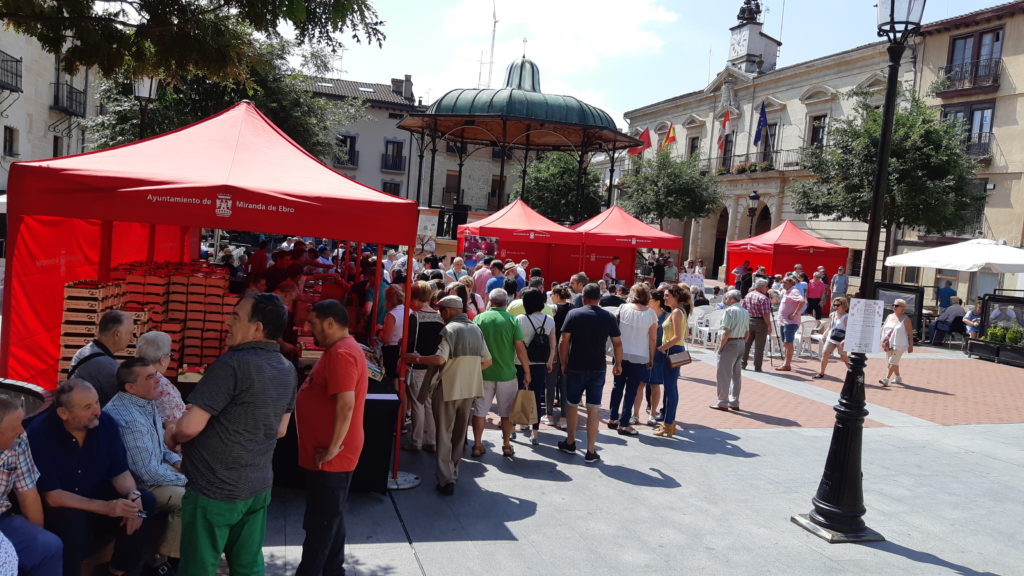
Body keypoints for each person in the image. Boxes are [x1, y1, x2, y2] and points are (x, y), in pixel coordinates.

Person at [170, 293, 297, 575]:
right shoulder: (287, 369)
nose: (228, 321)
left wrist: (173, 432)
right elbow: (280, 429)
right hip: (257, 486)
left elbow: (189, 427)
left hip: (214, 490)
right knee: (248, 566)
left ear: (257, 327)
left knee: (198, 568)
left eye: (236, 316)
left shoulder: (232, 364)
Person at [27, 379, 159, 576]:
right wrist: (106, 508)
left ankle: (118, 570)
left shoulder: (106, 424)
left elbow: (120, 472)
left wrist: (133, 495)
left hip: (96, 495)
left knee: (143, 503)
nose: (97, 410)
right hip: (60, 506)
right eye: (87, 407)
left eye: (97, 402)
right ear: (63, 413)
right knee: (71, 520)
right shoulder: (40, 433)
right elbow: (52, 496)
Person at [294, 300, 367, 576]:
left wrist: (333, 448)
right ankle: (334, 570)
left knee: (319, 527)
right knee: (329, 521)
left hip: (331, 456)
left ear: (329, 322)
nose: (307, 327)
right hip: (328, 454)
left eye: (312, 322)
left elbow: (346, 404)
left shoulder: (341, 353)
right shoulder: (340, 350)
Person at [104, 359, 186, 571]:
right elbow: (147, 473)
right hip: (137, 486)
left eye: (155, 374)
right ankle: (164, 563)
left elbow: (160, 448)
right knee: (190, 499)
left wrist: (180, 463)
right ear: (131, 387)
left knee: (200, 486)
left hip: (155, 471)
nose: (158, 380)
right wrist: (188, 479)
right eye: (150, 377)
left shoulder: (145, 402)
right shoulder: (128, 417)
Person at [405, 296, 491, 495]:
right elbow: (487, 361)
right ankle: (453, 471)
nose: (440, 314)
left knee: (444, 434)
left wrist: (415, 358)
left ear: (451, 310)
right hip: (469, 389)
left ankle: (446, 479)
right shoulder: (476, 329)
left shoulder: (449, 330)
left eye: (442, 310)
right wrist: (467, 369)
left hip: (448, 388)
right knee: (459, 435)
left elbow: (438, 359)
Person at [558, 283, 623, 462]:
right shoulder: (608, 317)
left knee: (571, 405)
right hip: (598, 367)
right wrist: (618, 363)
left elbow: (564, 341)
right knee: (593, 409)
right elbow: (617, 342)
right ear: (599, 299)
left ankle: (570, 442)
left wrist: (563, 362)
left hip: (576, 366)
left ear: (584, 297)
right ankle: (590, 450)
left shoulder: (574, 314)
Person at [0, 396, 63, 576]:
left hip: (3, 519)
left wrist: (37, 535)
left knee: (47, 546)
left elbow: (28, 493)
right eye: (14, 427)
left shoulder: (19, 440)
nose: (22, 431)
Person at [472, 289, 531, 459]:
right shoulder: (512, 320)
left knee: (480, 411)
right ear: (506, 302)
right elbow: (520, 349)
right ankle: (506, 444)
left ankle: (477, 445)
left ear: (490, 301)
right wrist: (527, 371)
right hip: (507, 374)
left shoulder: (479, 318)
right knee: (506, 413)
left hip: (484, 372)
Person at [607, 284, 657, 436]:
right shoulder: (650, 314)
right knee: (631, 390)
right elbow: (653, 339)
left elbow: (614, 331)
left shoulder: (622, 308)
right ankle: (624, 422)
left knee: (617, 387)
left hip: (621, 353)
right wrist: (651, 357)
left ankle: (613, 417)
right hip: (640, 355)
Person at [404, 282, 444, 452]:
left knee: (418, 404)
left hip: (418, 364)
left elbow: (409, 343)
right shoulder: (439, 317)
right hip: (434, 365)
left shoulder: (415, 317)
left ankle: (417, 441)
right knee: (428, 403)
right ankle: (432, 441)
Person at [515, 288, 557, 445]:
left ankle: (513, 429)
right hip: (540, 363)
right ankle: (535, 433)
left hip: (520, 362)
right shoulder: (550, 319)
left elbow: (517, 344)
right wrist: (550, 361)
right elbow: (552, 344)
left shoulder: (520, 319)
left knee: (518, 394)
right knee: (536, 397)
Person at [68, 309, 134, 406]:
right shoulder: (105, 364)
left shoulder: (85, 350)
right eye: (130, 333)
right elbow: (123, 404)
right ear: (117, 334)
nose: (132, 339)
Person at [654, 285, 688, 437]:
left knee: (670, 388)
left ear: (675, 296)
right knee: (670, 387)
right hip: (674, 351)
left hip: (671, 351)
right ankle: (669, 423)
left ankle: (669, 424)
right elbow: (685, 334)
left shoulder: (676, 312)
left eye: (667, 295)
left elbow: (677, 336)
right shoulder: (679, 311)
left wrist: (662, 348)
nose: (664, 297)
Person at [711, 290, 749, 411]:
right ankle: (734, 401)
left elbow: (726, 331)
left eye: (727, 298)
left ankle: (722, 402)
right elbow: (747, 332)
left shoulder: (730, 311)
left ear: (732, 299)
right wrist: (742, 342)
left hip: (731, 343)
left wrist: (721, 346)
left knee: (724, 374)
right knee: (736, 374)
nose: (725, 300)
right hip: (741, 342)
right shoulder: (745, 311)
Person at [136, 331, 185, 425]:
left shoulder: (132, 376)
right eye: (170, 355)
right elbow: (174, 422)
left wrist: (183, 408)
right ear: (162, 360)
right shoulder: (161, 384)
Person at [545, 285, 573, 429]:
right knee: (565, 385)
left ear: (556, 295)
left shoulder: (552, 309)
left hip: (554, 349)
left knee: (550, 383)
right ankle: (564, 417)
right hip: (569, 350)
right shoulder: (573, 308)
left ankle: (549, 415)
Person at [880, 299, 914, 387]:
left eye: (897, 305)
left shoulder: (906, 319)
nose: (894, 307)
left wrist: (911, 345)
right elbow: (883, 328)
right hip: (888, 344)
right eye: (893, 305)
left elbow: (910, 334)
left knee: (892, 361)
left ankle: (886, 379)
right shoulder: (889, 316)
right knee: (892, 363)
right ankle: (898, 377)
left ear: (903, 308)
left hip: (900, 344)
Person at [814, 297, 850, 379]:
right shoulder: (833, 314)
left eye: (837, 305)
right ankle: (821, 373)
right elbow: (830, 326)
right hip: (831, 337)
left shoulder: (846, 316)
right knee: (825, 353)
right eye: (834, 305)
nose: (835, 306)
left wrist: (845, 339)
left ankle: (852, 372)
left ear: (843, 305)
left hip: (841, 339)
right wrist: (825, 334)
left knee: (843, 357)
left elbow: (849, 330)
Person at [741, 278, 772, 373]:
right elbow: (765, 314)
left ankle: (743, 363)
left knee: (746, 344)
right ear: (761, 286)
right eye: (766, 286)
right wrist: (769, 326)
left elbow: (743, 308)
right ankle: (757, 366)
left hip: (749, 321)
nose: (767, 288)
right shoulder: (764, 298)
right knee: (759, 347)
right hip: (760, 322)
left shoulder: (748, 295)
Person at [777, 276, 804, 371]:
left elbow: (802, 301)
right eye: (782, 282)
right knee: (785, 343)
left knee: (788, 343)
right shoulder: (786, 291)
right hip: (784, 322)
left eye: (785, 282)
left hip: (790, 322)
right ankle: (786, 363)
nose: (783, 284)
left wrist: (795, 313)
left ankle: (787, 365)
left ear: (791, 283)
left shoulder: (794, 291)